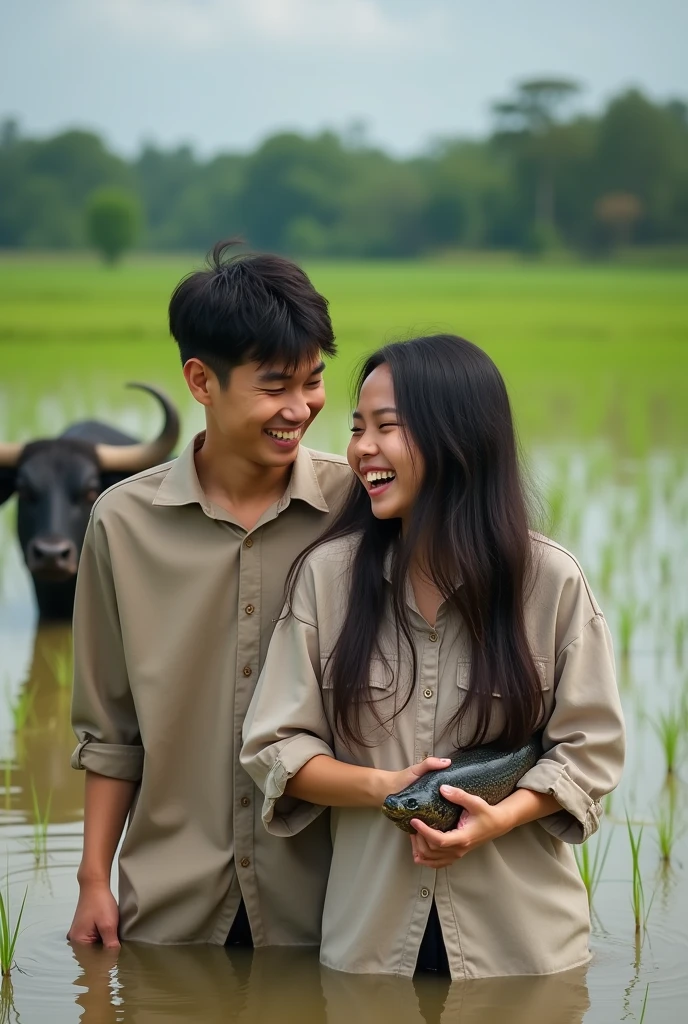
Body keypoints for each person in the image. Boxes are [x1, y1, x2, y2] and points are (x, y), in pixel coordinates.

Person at [241, 334, 625, 981]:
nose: (361, 448)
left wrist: (497, 819)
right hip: (370, 954)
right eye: (358, 427)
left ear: (458, 439)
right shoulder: (327, 580)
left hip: (523, 957)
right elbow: (273, 747)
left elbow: (589, 751)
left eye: (387, 427)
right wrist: (384, 788)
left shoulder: (552, 583)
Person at [68, 240, 352, 949]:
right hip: (170, 905)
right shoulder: (122, 523)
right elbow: (110, 731)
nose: (302, 407)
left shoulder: (360, 509)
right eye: (275, 385)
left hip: (330, 907)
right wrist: (94, 881)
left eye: (314, 381)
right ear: (201, 381)